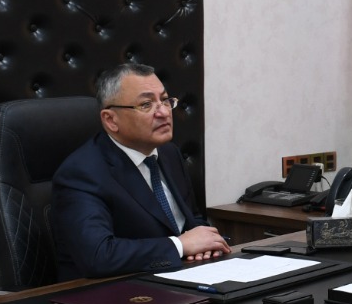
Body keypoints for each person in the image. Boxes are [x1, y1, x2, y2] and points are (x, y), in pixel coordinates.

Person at [52, 63, 230, 280]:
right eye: (146, 104)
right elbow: (98, 255)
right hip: (113, 291)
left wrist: (205, 245)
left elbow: (191, 220)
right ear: (111, 120)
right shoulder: (82, 173)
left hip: (180, 277)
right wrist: (179, 246)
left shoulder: (169, 153)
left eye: (165, 100)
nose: (164, 112)